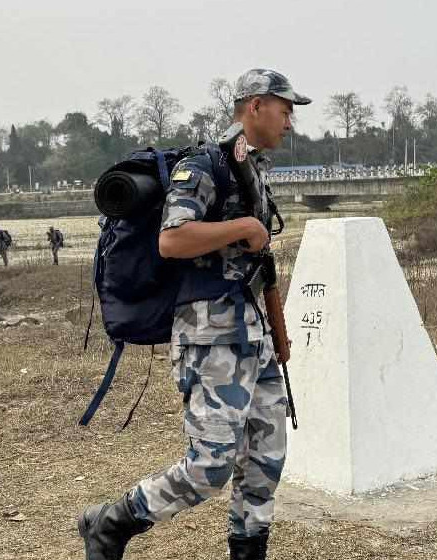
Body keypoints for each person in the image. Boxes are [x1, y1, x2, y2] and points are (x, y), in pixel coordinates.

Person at [77, 68, 309, 560]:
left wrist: (277, 330)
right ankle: (111, 522)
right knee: (212, 468)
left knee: (265, 462)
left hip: (255, 335)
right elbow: (172, 239)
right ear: (255, 106)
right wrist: (245, 224)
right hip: (212, 337)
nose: (290, 121)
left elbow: (256, 259)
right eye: (285, 109)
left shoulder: (253, 169)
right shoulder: (204, 164)